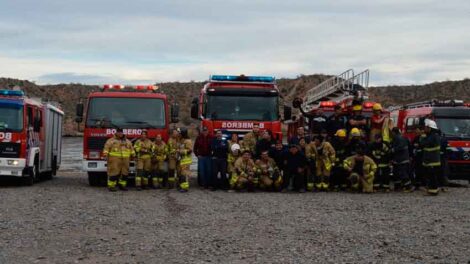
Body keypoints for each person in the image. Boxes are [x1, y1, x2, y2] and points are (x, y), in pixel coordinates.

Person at [420, 119, 442, 195]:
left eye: (425, 127)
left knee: (432, 176)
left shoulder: (433, 136)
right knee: (430, 176)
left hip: (432, 161)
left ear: (430, 128)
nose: (424, 129)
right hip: (430, 160)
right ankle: (431, 190)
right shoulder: (432, 135)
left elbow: (423, 143)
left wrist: (422, 136)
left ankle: (433, 191)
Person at [391, 128, 412, 192]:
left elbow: (400, 147)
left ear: (394, 132)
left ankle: (408, 187)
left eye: (392, 132)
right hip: (400, 159)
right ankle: (398, 187)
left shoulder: (398, 138)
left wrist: (393, 150)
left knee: (403, 173)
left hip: (401, 159)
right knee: (397, 173)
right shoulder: (402, 138)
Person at [177, 128, 193, 192]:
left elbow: (190, 150)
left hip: (186, 160)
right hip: (182, 160)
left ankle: (185, 188)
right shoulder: (182, 140)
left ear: (183, 134)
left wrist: (180, 151)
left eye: (179, 133)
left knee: (185, 174)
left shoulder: (188, 141)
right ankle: (182, 186)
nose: (179, 134)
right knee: (181, 174)